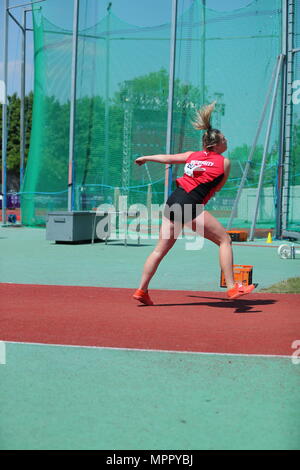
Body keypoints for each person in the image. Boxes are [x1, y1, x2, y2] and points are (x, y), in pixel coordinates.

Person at [133, 102, 255, 305]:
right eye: (224, 139)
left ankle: (141, 290)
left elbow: (168, 158)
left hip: (173, 202)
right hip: (190, 205)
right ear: (215, 145)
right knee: (225, 240)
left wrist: (146, 157)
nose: (227, 141)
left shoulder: (192, 155)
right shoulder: (224, 162)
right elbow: (217, 188)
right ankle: (233, 287)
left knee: (159, 251)